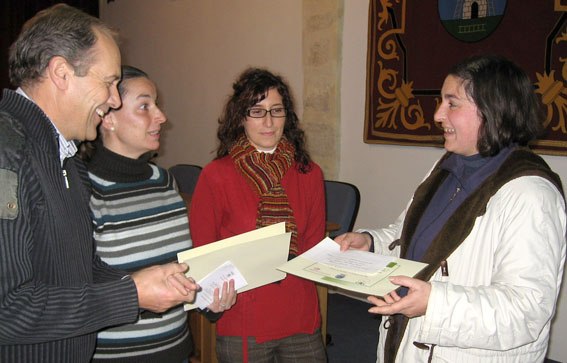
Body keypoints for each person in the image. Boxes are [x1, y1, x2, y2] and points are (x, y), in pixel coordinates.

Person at [0, 5, 199, 362]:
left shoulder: (67, 161)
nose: (114, 99)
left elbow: (81, 268)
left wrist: (144, 280)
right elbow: (7, 309)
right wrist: (131, 296)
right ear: (61, 73)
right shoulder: (7, 153)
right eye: (108, 82)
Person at [335, 55, 566, 362]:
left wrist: (435, 303)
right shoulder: (446, 166)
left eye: (452, 103)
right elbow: (411, 241)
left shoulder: (530, 195)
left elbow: (526, 310)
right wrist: (371, 242)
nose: (438, 115)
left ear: (494, 110)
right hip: (409, 343)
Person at [80, 65, 237, 362]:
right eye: (144, 106)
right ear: (108, 118)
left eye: (157, 105)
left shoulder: (164, 181)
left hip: (174, 349)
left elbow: (178, 268)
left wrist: (207, 301)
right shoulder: (85, 190)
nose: (161, 117)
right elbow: (80, 289)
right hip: (114, 355)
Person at [190, 68, 327, 362]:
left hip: (299, 311)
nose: (268, 122)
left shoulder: (309, 173)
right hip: (242, 316)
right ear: (241, 117)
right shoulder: (216, 176)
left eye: (276, 111)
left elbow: (313, 249)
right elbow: (204, 254)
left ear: (286, 117)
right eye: (257, 111)